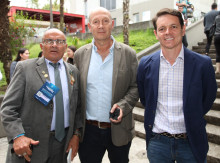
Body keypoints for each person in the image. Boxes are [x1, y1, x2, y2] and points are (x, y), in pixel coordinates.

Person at [137, 8, 217, 163]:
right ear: (156, 34)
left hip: (191, 142)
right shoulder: (145, 64)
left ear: (183, 29)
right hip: (158, 143)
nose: (168, 32)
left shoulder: (203, 64)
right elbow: (146, 98)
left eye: (173, 27)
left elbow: (208, 98)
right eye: (162, 28)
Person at [1, 28, 83, 163]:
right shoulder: (25, 68)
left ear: (65, 46)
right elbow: (8, 108)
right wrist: (18, 136)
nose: (54, 45)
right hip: (31, 144)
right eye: (49, 41)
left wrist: (76, 135)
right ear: (41, 45)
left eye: (60, 41)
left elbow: (77, 107)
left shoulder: (73, 71)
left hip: (62, 145)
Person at [74, 7, 139, 163]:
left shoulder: (128, 53)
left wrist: (123, 106)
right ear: (90, 27)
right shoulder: (80, 55)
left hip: (119, 130)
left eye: (105, 21)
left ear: (112, 24)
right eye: (96, 22)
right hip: (88, 131)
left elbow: (136, 86)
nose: (101, 26)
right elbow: (75, 92)